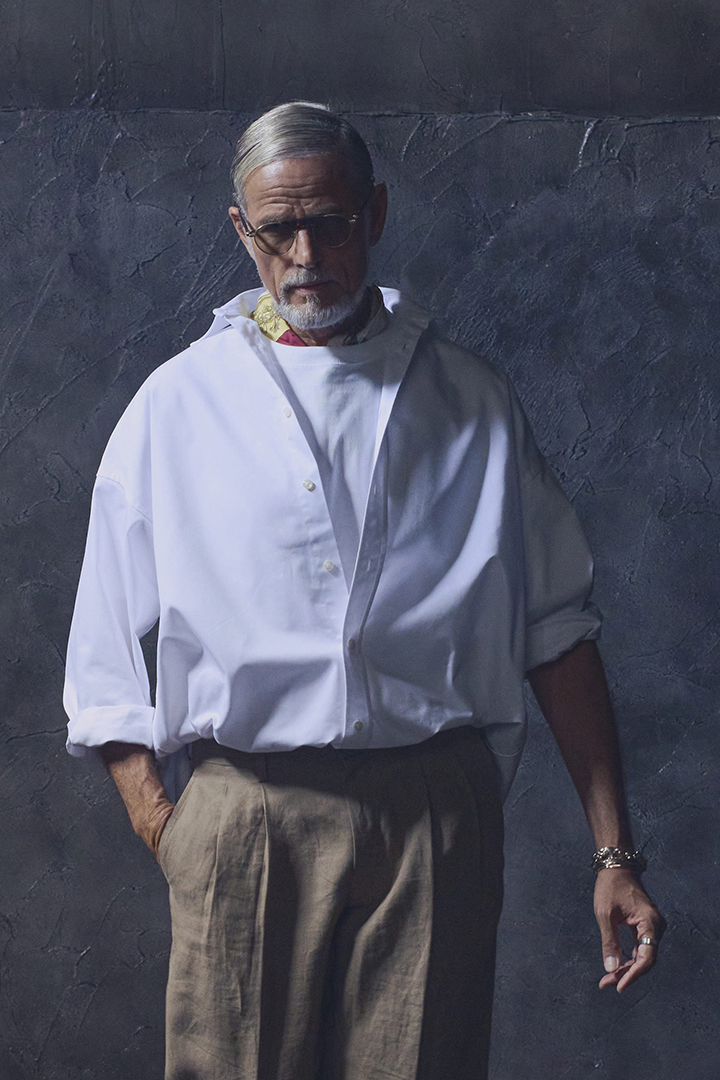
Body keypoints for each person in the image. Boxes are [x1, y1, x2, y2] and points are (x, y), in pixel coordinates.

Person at [63, 101, 664, 1080]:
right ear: (240, 230)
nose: (305, 254)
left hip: (435, 815)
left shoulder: (472, 400)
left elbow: (558, 630)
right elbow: (100, 657)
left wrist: (615, 855)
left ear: (374, 214)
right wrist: (170, 831)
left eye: (331, 223)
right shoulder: (176, 406)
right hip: (243, 813)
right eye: (278, 229)